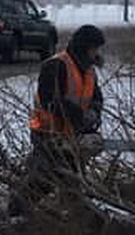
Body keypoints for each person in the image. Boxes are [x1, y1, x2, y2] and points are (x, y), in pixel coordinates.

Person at [13, 24, 106, 214]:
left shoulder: (89, 71)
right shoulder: (56, 66)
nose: (96, 52)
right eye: (94, 48)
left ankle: (71, 219)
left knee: (73, 182)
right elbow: (49, 99)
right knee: (44, 180)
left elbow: (96, 98)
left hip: (71, 135)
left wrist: (94, 114)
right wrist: (79, 116)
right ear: (84, 47)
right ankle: (15, 214)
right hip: (48, 134)